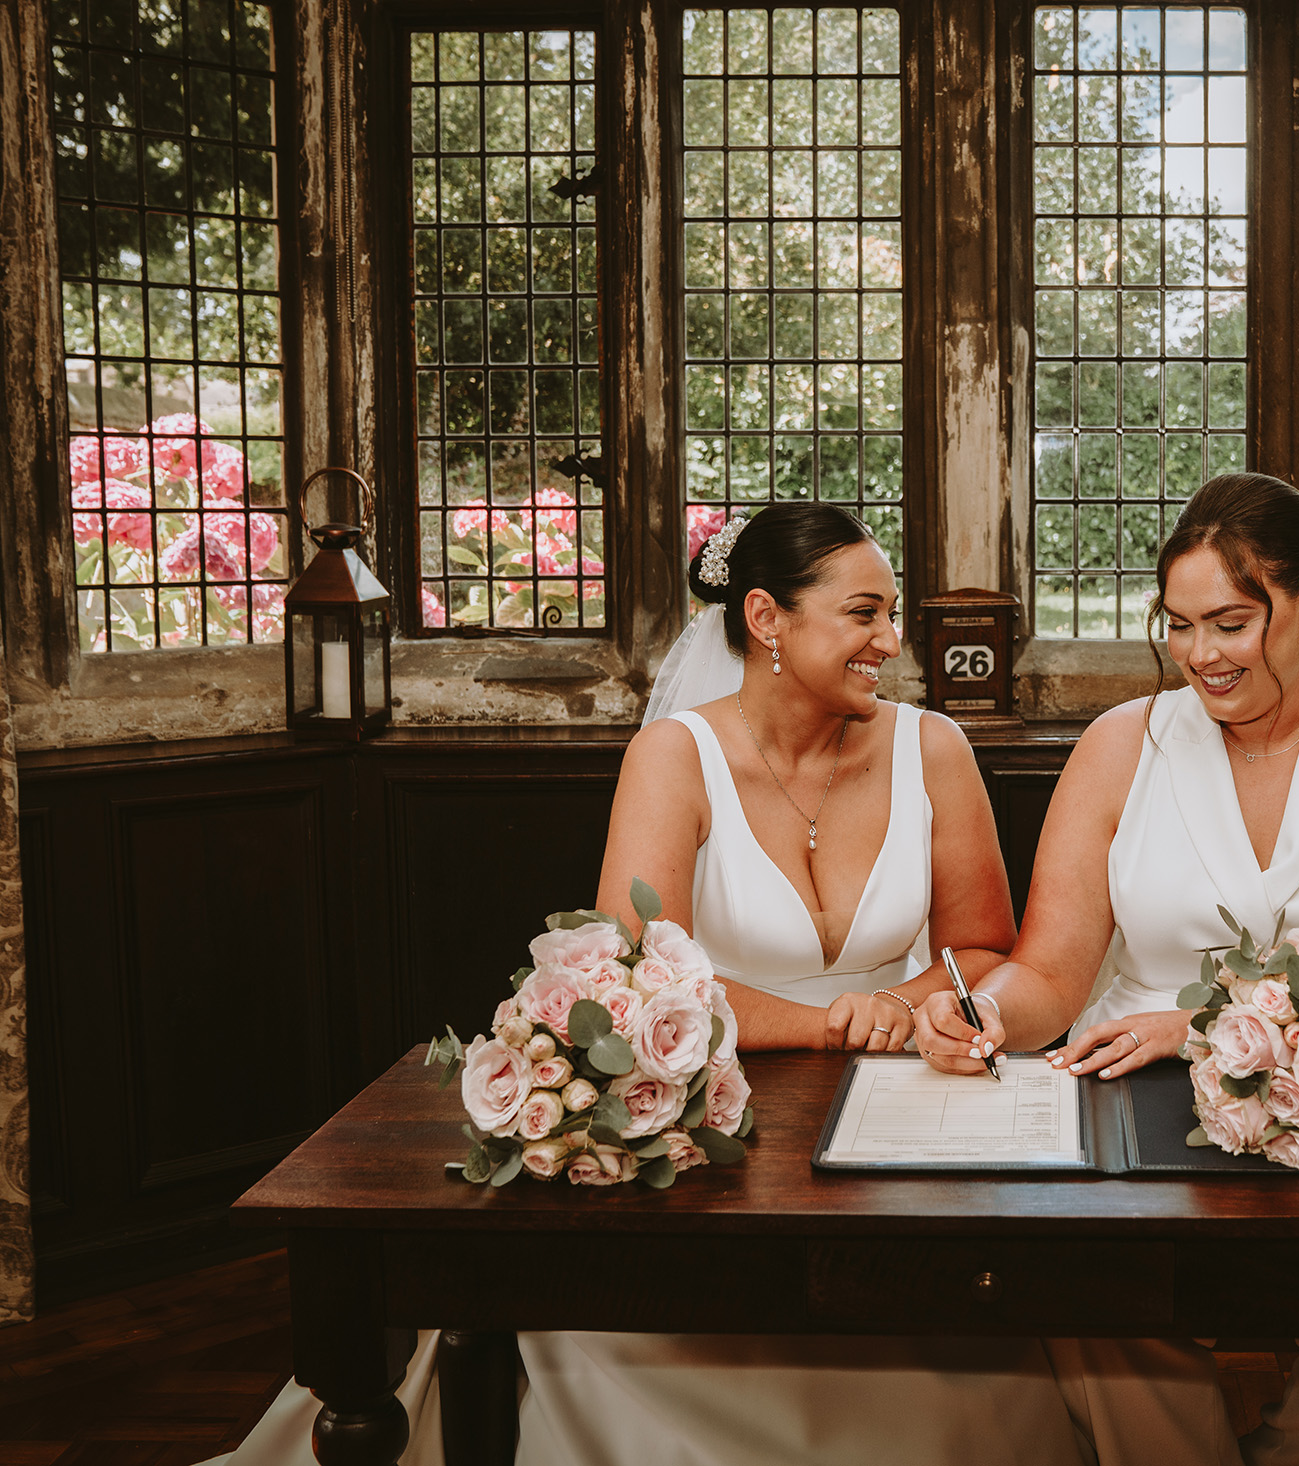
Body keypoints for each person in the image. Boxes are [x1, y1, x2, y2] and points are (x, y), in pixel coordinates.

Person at [220, 504, 1092, 1466]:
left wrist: (893, 1007)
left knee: (958, 1351)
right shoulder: (674, 758)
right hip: (715, 1112)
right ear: (766, 618)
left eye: (890, 616)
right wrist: (824, 1026)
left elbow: (981, 944)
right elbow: (631, 974)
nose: (892, 640)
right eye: (865, 614)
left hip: (901, 1103)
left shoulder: (935, 750)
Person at [914, 473, 1299, 1466]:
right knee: (1092, 1312)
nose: (1199, 654)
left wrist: (1199, 1026)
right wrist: (975, 1010)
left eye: (1229, 621)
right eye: (1178, 624)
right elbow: (1051, 973)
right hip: (1129, 1121)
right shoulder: (1119, 747)